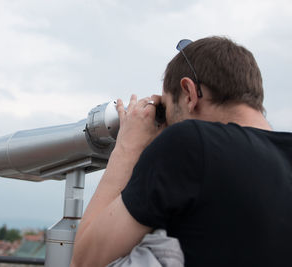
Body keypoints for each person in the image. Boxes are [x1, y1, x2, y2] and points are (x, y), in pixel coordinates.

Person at [70, 36, 292, 267]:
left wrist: (128, 147)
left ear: (189, 93)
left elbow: (85, 260)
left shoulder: (190, 142)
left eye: (164, 110)